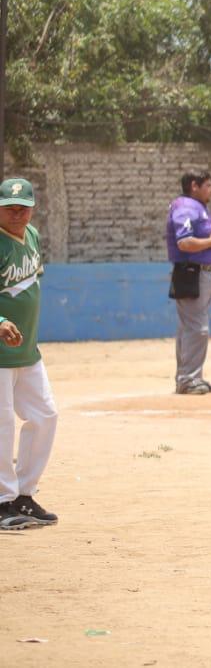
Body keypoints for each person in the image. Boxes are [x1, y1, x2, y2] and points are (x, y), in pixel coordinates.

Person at [0, 178, 58, 530]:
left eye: (23, 207)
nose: (17, 213)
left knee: (46, 415)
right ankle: (2, 500)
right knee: (2, 425)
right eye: (9, 206)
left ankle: (23, 493)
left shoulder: (32, 236)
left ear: (33, 207)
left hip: (28, 351)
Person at [166, 170, 211, 395]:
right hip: (191, 273)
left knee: (191, 327)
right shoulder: (186, 207)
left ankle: (190, 377)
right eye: (207, 185)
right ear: (193, 186)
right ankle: (188, 379)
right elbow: (185, 242)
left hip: (201, 273)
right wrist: (210, 242)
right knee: (197, 328)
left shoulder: (197, 207)